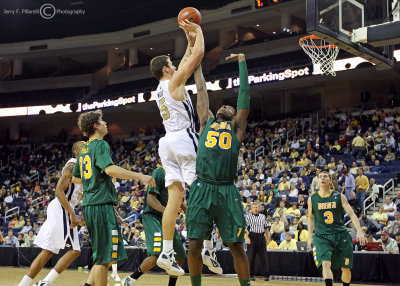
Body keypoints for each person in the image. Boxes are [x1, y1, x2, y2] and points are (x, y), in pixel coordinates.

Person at [150, 20, 216, 276]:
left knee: (173, 202)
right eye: (173, 65)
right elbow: (198, 56)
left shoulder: (160, 88)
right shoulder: (174, 82)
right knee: (203, 194)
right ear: (167, 69)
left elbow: (190, 55)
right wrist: (199, 32)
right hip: (184, 139)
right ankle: (208, 247)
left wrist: (188, 42)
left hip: (166, 143)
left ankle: (166, 253)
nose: (177, 67)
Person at [187, 53, 251, 286]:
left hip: (226, 190)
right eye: (223, 104)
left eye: (230, 106)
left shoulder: (237, 130)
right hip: (202, 186)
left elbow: (244, 95)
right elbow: (201, 89)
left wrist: (241, 63)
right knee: (194, 243)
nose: (226, 104)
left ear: (235, 117)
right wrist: (196, 61)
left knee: (236, 245)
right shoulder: (206, 122)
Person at [72, 110, 155, 286]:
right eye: (102, 121)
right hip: (100, 205)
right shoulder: (100, 145)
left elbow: (75, 177)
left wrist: (91, 181)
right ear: (95, 125)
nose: (105, 123)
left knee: (105, 255)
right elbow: (109, 169)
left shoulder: (84, 149)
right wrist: (140, 176)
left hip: (91, 205)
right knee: (104, 258)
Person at [18, 141, 85, 286]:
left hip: (60, 208)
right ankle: (45, 283)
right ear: (76, 153)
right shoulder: (72, 165)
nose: (88, 148)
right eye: (84, 147)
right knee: (75, 250)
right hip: (62, 208)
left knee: (47, 252)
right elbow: (58, 191)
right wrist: (72, 213)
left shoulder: (83, 169)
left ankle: (23, 285)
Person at [122, 167, 187, 286]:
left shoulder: (175, 175)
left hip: (165, 217)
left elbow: (174, 197)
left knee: (179, 255)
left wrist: (185, 209)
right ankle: (131, 279)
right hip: (152, 216)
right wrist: (168, 212)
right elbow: (150, 199)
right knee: (157, 255)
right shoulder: (160, 172)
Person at [308, 171, 366, 286]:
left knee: (345, 268)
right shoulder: (312, 199)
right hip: (322, 236)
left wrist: (359, 231)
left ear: (330, 181)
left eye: (325, 176)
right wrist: (309, 236)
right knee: (325, 264)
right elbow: (310, 217)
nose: (322, 178)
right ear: (318, 181)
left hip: (341, 235)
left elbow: (352, 214)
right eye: (320, 177)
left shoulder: (339, 196)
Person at [245, 204, 270, 281]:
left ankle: (266, 275)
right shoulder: (248, 216)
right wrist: (247, 237)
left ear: (258, 209)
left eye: (256, 207)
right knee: (251, 257)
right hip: (252, 237)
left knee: (264, 257)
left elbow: (266, 228)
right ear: (251, 209)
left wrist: (268, 238)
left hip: (261, 237)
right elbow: (245, 228)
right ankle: (251, 275)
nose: (255, 209)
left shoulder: (262, 216)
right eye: (254, 207)